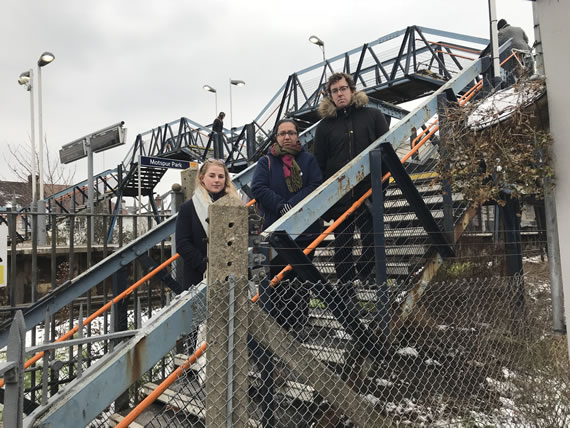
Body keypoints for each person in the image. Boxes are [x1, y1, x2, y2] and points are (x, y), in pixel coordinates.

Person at [314, 72, 389, 286]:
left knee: (372, 241)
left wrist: (382, 185)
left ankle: (366, 276)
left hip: (369, 190)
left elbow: (387, 152)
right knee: (343, 245)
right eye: (334, 91)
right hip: (340, 196)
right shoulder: (324, 127)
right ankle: (346, 289)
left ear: (352, 90)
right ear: (329, 95)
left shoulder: (373, 116)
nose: (339, 94)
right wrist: (325, 203)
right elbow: (319, 164)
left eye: (343, 89)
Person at [251, 118, 322, 332]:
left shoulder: (308, 160)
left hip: (305, 233)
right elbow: (258, 188)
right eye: (282, 133)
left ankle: (299, 326)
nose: (287, 136)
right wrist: (281, 206)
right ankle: (277, 329)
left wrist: (291, 204)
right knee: (277, 281)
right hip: (275, 233)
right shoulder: (267, 162)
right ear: (277, 137)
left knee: (300, 281)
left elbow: (316, 185)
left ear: (297, 135)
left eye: (291, 132)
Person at [175, 158, 241, 290]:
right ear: (201, 178)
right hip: (199, 277)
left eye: (221, 176)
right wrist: (207, 266)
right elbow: (182, 243)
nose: (217, 180)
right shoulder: (188, 207)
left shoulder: (236, 206)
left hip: (232, 276)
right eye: (212, 176)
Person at [480, 19, 534, 84]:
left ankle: (520, 81)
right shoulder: (519, 29)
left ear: (500, 28)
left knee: (515, 66)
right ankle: (530, 76)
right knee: (525, 65)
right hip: (525, 51)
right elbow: (526, 40)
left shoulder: (501, 32)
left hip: (513, 52)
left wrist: (483, 54)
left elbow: (494, 45)